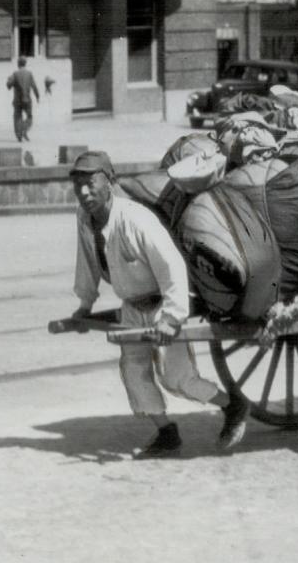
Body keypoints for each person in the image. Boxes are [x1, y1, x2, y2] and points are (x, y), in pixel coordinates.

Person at [69, 150, 250, 458]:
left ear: (109, 182)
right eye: (78, 186)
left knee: (177, 379)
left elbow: (173, 267)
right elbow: (86, 261)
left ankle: (232, 405)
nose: (84, 193)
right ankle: (167, 433)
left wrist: (172, 317)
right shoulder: (85, 219)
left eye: (91, 184)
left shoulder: (136, 220)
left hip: (161, 304)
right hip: (131, 308)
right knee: (134, 373)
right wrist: (85, 305)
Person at [5, 57, 40, 142]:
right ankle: (24, 130)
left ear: (18, 64)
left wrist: (8, 80)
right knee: (29, 117)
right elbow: (34, 86)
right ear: (25, 64)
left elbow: (9, 86)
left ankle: (19, 135)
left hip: (17, 101)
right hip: (27, 100)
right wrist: (37, 96)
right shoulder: (29, 74)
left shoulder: (15, 74)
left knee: (17, 117)